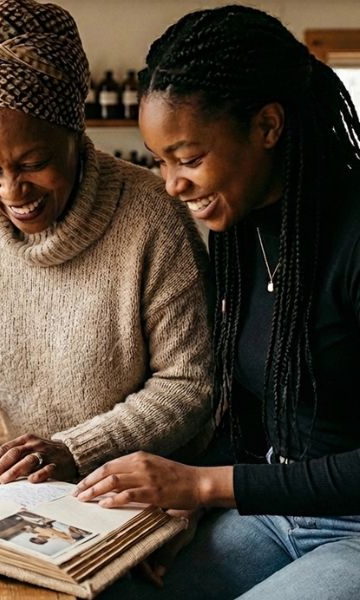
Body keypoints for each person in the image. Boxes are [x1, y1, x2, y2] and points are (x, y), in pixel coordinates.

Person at [0, 0, 212, 485]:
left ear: (74, 133)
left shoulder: (152, 215)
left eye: (32, 164)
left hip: (142, 485)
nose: (12, 191)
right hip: (30, 486)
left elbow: (188, 384)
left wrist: (75, 449)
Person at [72, 6, 360, 599]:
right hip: (273, 515)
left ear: (268, 126)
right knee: (107, 586)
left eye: (190, 158)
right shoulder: (240, 230)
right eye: (162, 161)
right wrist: (185, 506)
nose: (172, 184)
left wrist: (204, 487)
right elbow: (250, 415)